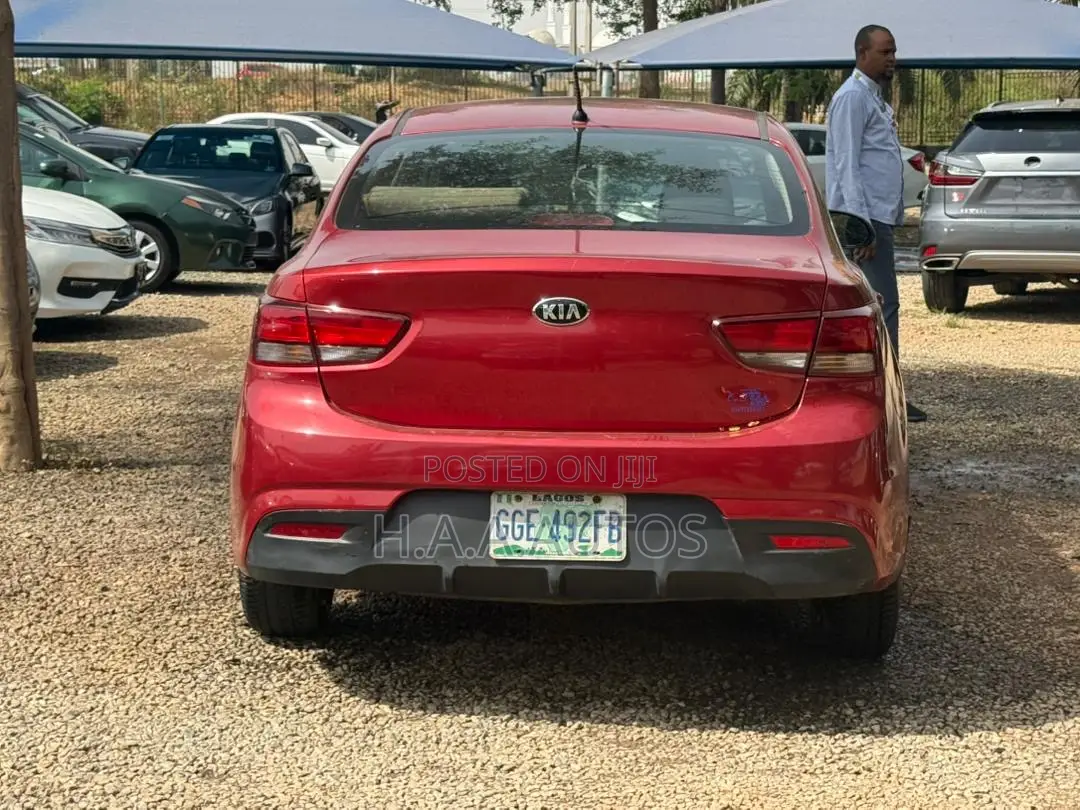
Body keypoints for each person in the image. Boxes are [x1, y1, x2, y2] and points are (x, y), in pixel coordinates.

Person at [825, 24, 927, 423]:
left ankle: (882, 394)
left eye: (894, 51)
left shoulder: (872, 98)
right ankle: (886, 398)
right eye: (884, 52)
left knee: (878, 306)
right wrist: (860, 226)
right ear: (862, 53)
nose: (892, 59)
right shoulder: (852, 98)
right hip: (866, 222)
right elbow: (846, 165)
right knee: (882, 307)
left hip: (877, 219)